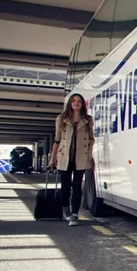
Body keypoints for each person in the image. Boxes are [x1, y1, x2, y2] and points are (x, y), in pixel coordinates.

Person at [49, 93, 95, 226]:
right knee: (65, 188)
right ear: (70, 103)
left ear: (82, 104)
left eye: (79, 101)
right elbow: (57, 140)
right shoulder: (61, 119)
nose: (76, 103)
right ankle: (65, 210)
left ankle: (75, 214)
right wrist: (53, 158)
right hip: (64, 157)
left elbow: (91, 139)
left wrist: (90, 156)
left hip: (81, 157)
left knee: (77, 187)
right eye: (74, 101)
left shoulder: (87, 119)